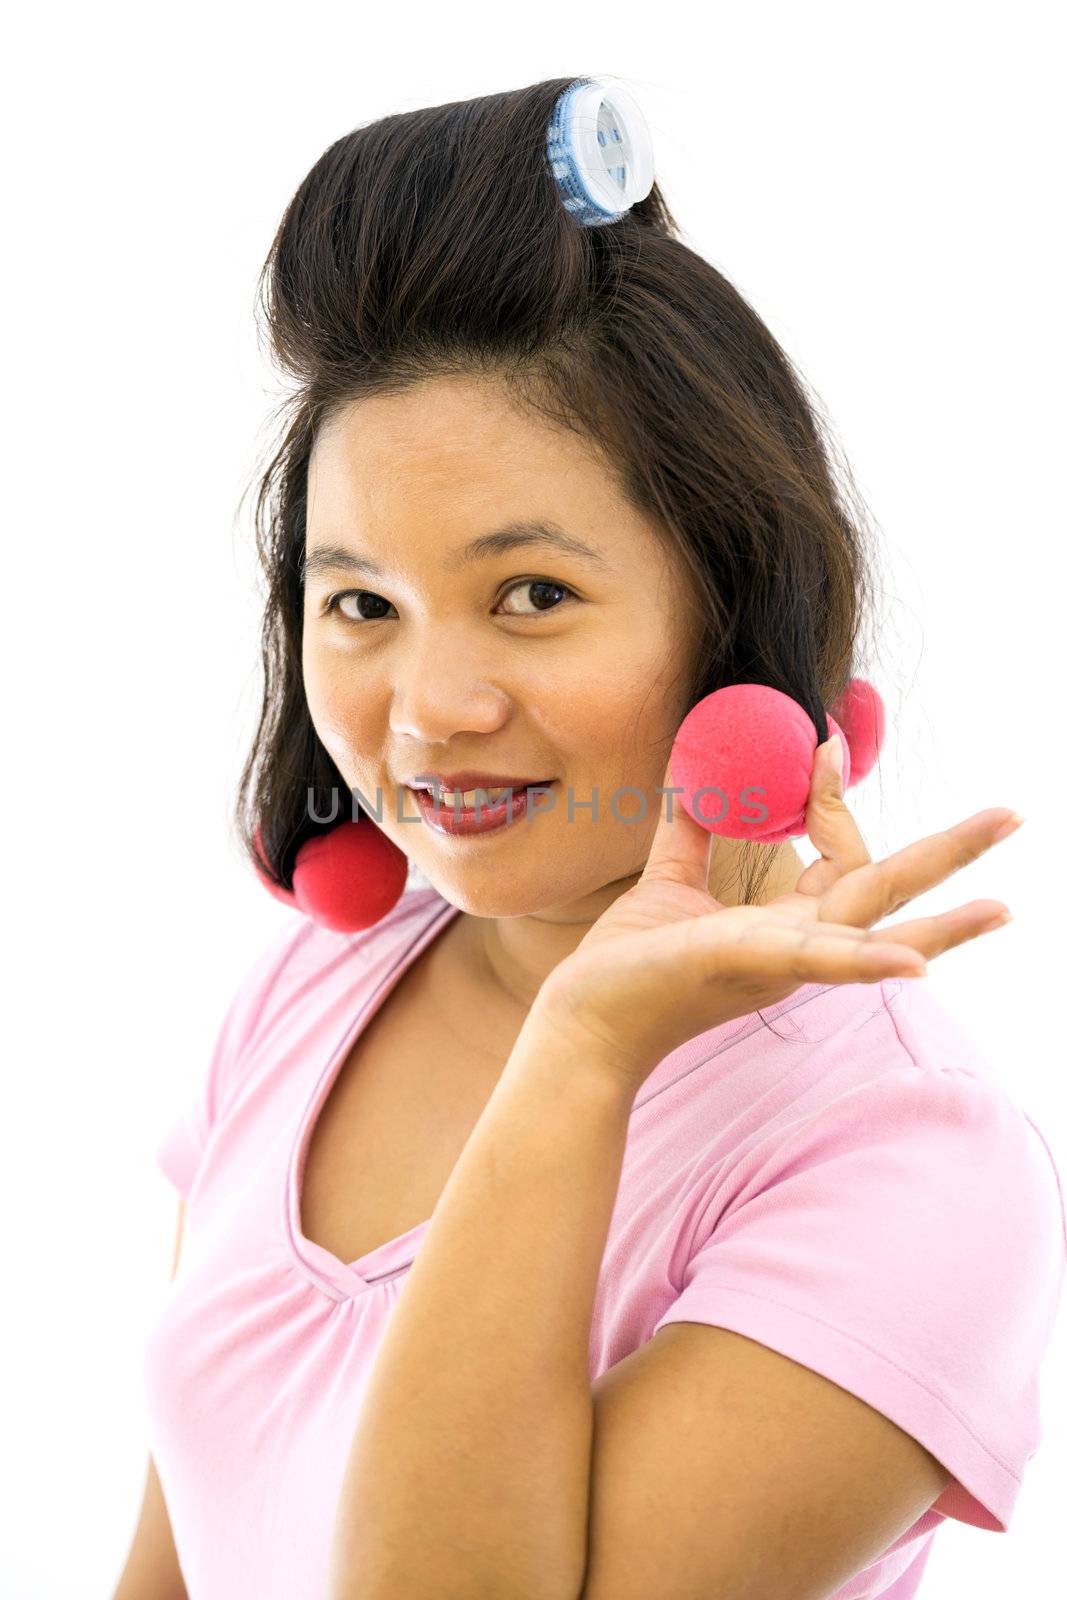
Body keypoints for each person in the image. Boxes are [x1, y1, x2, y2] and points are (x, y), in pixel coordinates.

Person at [114, 77, 1064, 1600]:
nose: (429, 709)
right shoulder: (304, 994)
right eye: (361, 605)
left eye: (532, 596)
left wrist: (582, 1056)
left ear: (738, 614)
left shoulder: (912, 1164)